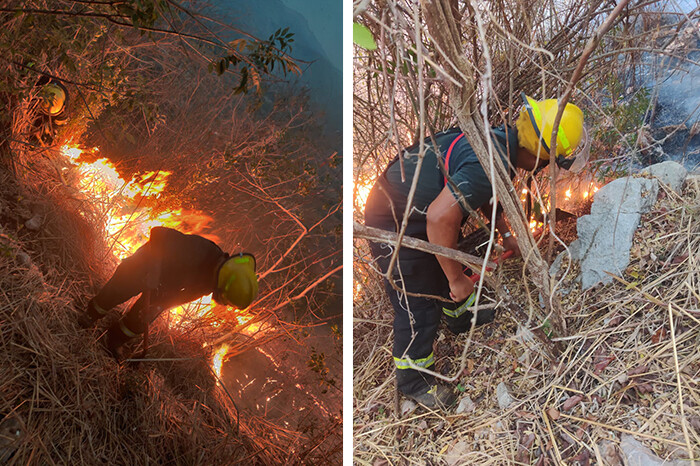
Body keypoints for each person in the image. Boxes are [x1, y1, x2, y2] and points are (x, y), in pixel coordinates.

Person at [364, 95, 586, 409]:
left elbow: (483, 191)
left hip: (412, 207)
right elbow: (441, 217)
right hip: (393, 217)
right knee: (417, 300)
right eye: (550, 160)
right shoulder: (493, 159)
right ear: (539, 154)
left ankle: (459, 317)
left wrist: (505, 233)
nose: (545, 167)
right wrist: (456, 279)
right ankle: (413, 380)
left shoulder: (497, 142)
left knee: (439, 261)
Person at [78, 226, 259, 359]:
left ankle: (115, 338)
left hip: (165, 286)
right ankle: (91, 313)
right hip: (146, 265)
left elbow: (186, 295)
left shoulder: (213, 280)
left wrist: (159, 306)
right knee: (118, 290)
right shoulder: (199, 250)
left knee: (140, 321)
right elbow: (158, 233)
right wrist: (154, 272)